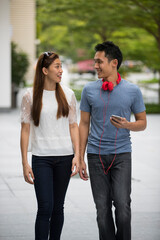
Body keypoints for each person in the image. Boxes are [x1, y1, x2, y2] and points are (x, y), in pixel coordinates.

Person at [79, 41, 147, 240]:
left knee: (123, 207)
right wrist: (80, 156)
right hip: (95, 156)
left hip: (121, 155)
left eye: (99, 62)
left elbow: (142, 123)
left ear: (114, 63)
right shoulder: (88, 90)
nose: (96, 66)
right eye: (95, 62)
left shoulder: (133, 91)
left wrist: (127, 125)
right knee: (102, 211)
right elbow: (84, 124)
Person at [20, 51, 79, 240]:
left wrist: (77, 155)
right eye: (57, 66)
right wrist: (24, 163)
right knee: (45, 207)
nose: (61, 70)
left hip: (65, 157)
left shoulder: (68, 94)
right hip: (41, 159)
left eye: (61, 66)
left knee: (58, 207)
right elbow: (25, 130)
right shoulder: (29, 96)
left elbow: (73, 126)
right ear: (45, 70)